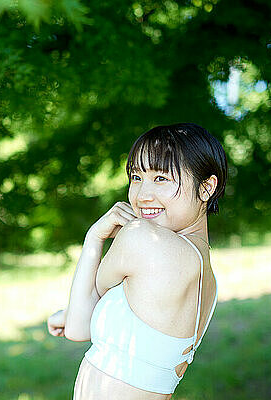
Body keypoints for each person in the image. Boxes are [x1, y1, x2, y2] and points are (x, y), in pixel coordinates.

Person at [47, 123, 228, 399]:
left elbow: (78, 326)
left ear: (206, 187)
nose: (142, 195)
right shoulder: (205, 274)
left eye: (161, 178)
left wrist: (95, 236)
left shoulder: (141, 238)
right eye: (136, 176)